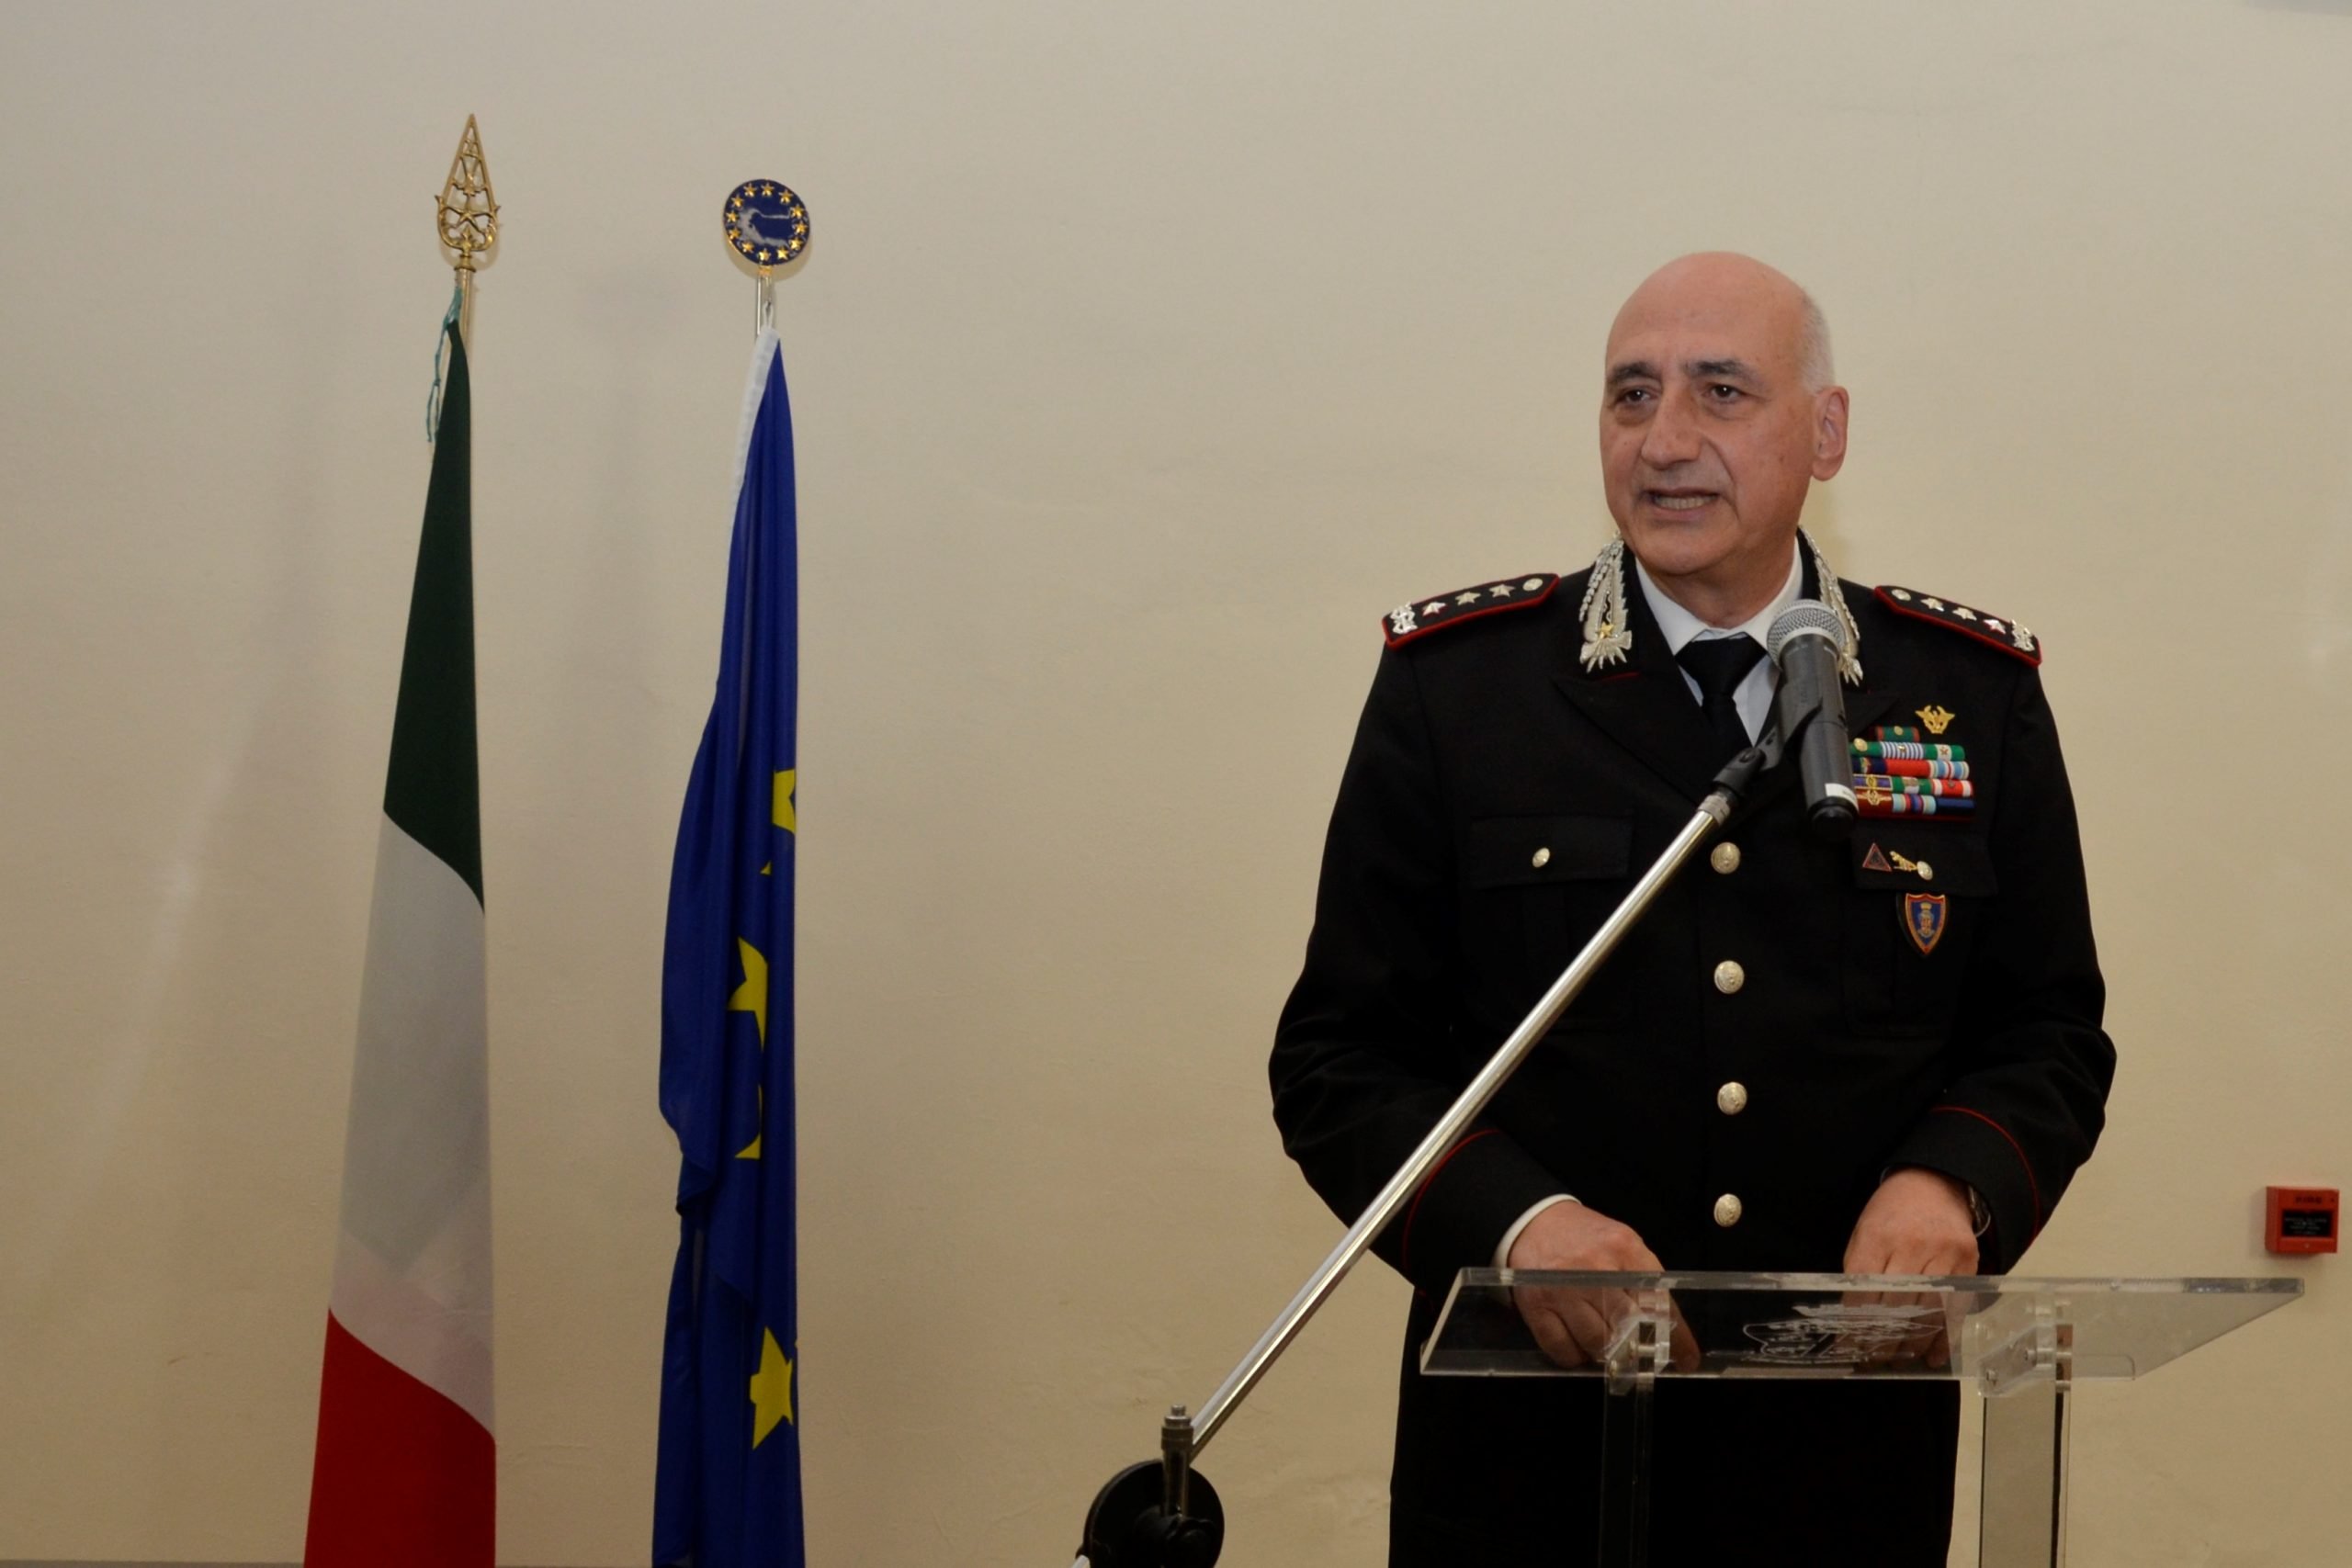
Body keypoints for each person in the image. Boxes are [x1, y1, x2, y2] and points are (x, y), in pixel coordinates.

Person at [1268, 253, 2116, 1564]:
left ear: (1825, 433)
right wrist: (1519, 1227)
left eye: (1722, 391)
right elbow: (1341, 1060)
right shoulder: (1462, 693)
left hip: (1839, 1466)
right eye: (1632, 395)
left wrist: (1953, 1184)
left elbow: (2047, 1030)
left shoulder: (1962, 694)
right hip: (1527, 1460)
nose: (1665, 441)